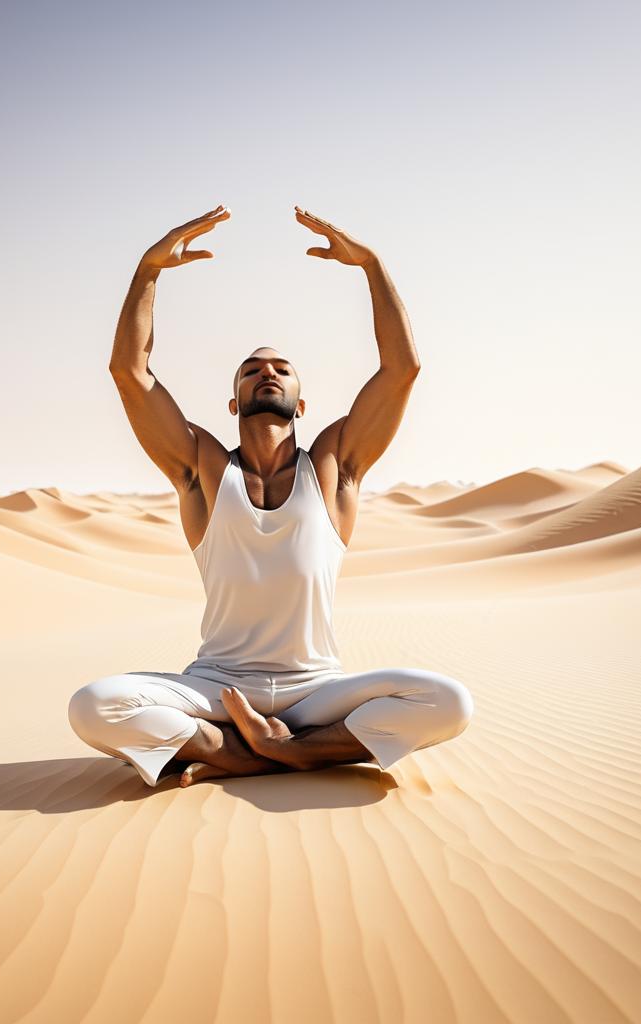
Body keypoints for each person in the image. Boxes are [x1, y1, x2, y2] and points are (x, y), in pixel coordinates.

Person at [68, 204, 474, 788]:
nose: (268, 373)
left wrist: (373, 266)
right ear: (234, 402)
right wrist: (147, 271)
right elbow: (130, 372)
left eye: (282, 368)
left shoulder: (336, 467)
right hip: (217, 685)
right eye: (251, 370)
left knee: (449, 701)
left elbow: (401, 369)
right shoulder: (202, 469)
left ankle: (250, 754)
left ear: (301, 403)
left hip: (316, 689)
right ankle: (267, 751)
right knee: (93, 704)